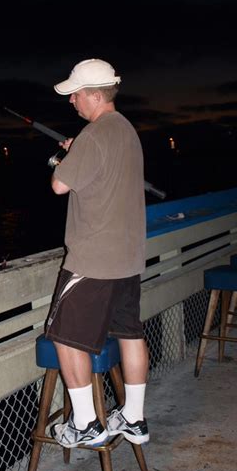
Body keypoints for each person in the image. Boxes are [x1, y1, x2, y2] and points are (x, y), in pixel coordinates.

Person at [45, 58, 150, 448]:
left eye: (75, 95)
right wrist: (80, 152)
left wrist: (64, 158)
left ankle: (86, 424)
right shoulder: (126, 131)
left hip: (93, 261)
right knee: (129, 332)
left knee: (65, 337)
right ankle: (134, 418)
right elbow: (101, 175)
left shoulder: (93, 135)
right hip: (128, 258)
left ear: (93, 95)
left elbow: (58, 185)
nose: (72, 101)